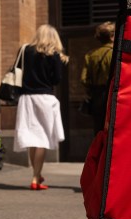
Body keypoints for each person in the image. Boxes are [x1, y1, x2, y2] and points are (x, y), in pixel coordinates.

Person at [13, 25, 69, 190]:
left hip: (26, 98)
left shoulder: (25, 50)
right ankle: (36, 177)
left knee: (32, 138)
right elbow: (57, 79)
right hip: (45, 98)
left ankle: (36, 175)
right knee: (42, 139)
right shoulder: (53, 54)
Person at [80, 21, 114, 135]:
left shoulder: (90, 55)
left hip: (97, 96)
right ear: (112, 36)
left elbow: (83, 79)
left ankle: (99, 152)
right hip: (113, 94)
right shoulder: (115, 54)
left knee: (99, 130)